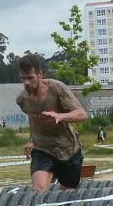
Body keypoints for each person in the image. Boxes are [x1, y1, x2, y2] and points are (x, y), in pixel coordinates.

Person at [14, 54, 88, 191]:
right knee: (39, 189)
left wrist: (61, 116)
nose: (26, 83)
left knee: (67, 194)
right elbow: (33, 118)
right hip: (43, 149)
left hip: (68, 149)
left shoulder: (57, 89)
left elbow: (82, 114)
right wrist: (32, 140)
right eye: (23, 79)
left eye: (30, 78)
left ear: (40, 74)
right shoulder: (22, 99)